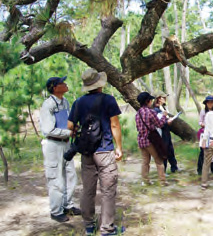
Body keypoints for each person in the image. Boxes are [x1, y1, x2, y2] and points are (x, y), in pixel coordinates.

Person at [68, 69, 125, 236]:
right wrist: (119, 147)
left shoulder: (78, 103)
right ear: (100, 84)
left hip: (87, 152)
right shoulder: (108, 100)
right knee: (108, 191)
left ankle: (89, 226)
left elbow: (70, 126)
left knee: (87, 189)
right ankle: (107, 229)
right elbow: (114, 125)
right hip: (105, 151)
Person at [40, 76, 81, 223]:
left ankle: (68, 205)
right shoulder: (48, 105)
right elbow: (48, 129)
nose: (65, 84)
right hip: (53, 145)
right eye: (62, 83)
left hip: (66, 143)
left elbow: (68, 122)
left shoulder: (65, 102)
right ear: (54, 87)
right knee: (56, 178)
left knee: (71, 176)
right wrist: (68, 132)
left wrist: (74, 129)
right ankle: (56, 211)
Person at [135, 91, 169, 185]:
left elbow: (138, 128)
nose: (151, 101)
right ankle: (162, 181)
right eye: (150, 100)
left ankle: (145, 181)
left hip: (141, 141)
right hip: (150, 140)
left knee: (145, 161)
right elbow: (159, 124)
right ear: (147, 101)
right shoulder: (151, 112)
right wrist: (164, 116)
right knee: (159, 160)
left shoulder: (138, 114)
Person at [153, 91, 179, 174]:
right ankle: (163, 171)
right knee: (164, 151)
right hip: (161, 134)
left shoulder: (163, 108)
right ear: (158, 99)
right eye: (163, 97)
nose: (165, 99)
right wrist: (166, 122)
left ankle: (174, 167)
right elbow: (158, 123)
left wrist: (169, 120)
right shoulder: (155, 110)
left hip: (166, 132)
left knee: (170, 150)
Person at [197, 95, 213, 175]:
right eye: (208, 102)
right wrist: (203, 124)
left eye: (211, 102)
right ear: (206, 103)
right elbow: (200, 121)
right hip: (204, 133)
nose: (210, 104)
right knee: (203, 151)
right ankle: (200, 170)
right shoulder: (203, 111)